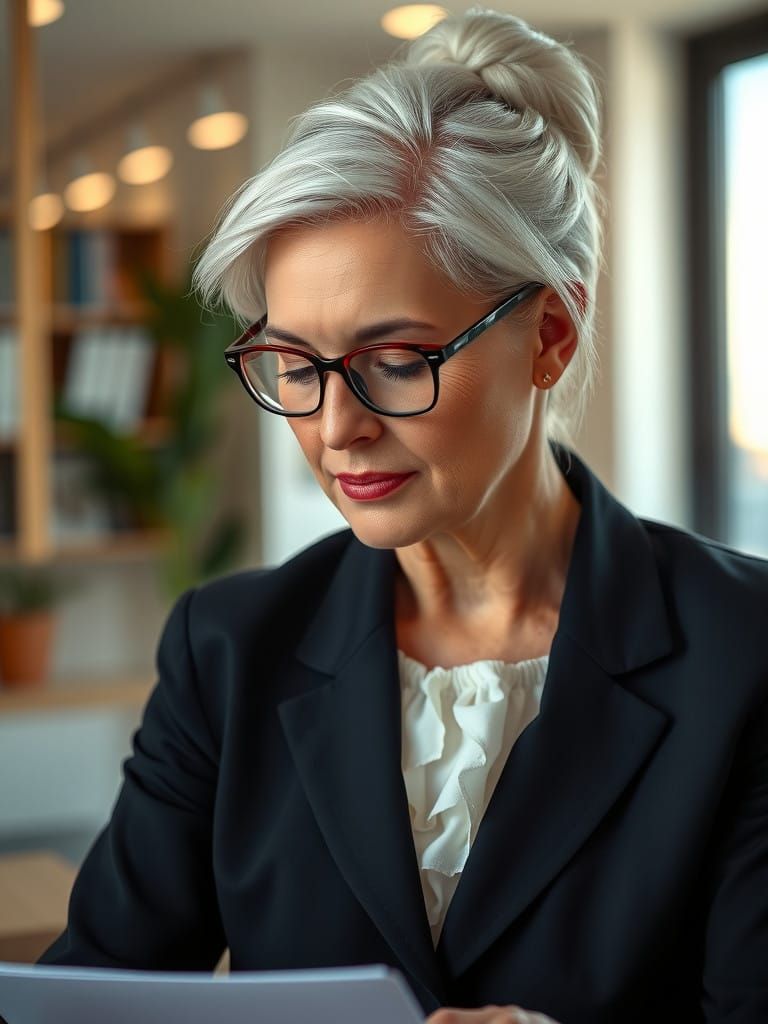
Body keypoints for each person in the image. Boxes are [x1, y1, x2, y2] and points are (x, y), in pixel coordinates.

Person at [38, 7, 768, 1023]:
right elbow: (92, 999)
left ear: (550, 333)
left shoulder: (744, 649)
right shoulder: (229, 651)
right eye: (293, 364)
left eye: (396, 360)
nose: (336, 429)